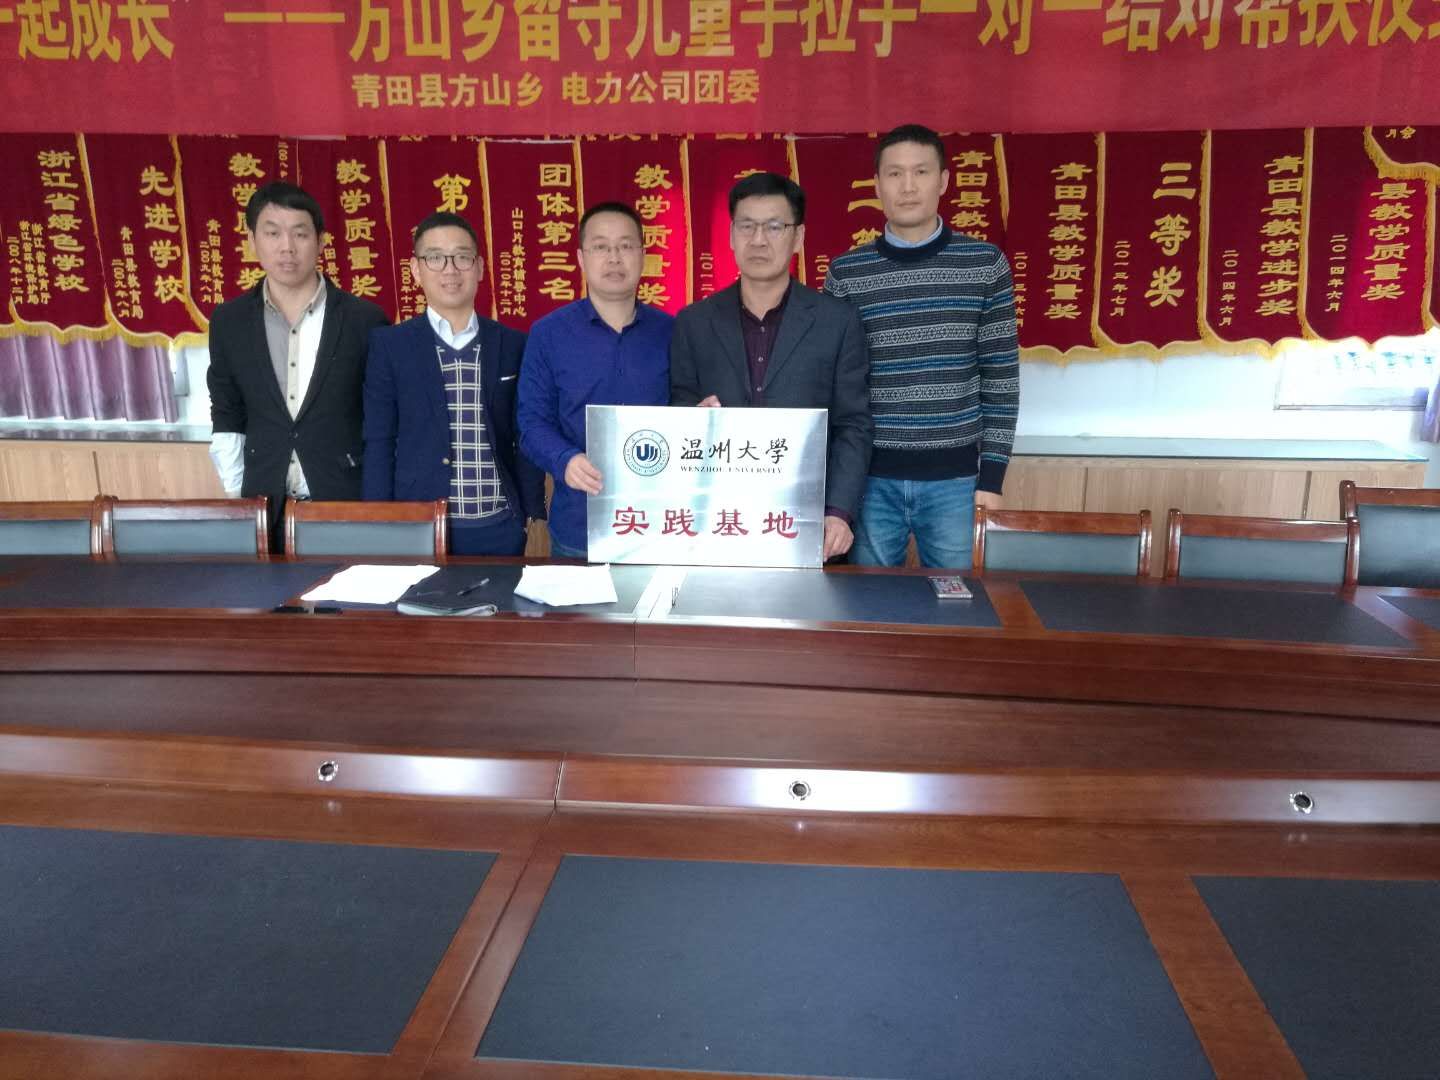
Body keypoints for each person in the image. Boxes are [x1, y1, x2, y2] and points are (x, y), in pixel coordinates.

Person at [823, 123, 1019, 570]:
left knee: (958, 601)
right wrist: (838, 488)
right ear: (877, 184)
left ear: (944, 181)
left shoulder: (984, 265)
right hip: (870, 481)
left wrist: (992, 478)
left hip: (956, 482)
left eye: (921, 172)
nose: (908, 186)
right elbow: (835, 387)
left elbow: (1001, 379)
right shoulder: (847, 274)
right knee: (869, 603)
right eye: (895, 174)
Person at [669, 172, 872, 560]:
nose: (758, 240)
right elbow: (679, 404)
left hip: (808, 522)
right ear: (731, 236)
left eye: (774, 227)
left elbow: (853, 424)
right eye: (747, 226)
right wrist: (692, 418)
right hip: (717, 522)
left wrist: (838, 511)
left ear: (798, 237)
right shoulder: (694, 322)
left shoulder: (837, 321)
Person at [207, 182, 389, 550]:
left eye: (300, 234)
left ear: (321, 241)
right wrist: (239, 497)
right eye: (272, 233)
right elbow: (228, 414)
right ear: (252, 240)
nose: (287, 247)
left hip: (346, 503)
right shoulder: (229, 321)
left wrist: (377, 500)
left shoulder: (364, 320)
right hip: (264, 507)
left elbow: (382, 419)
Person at [362, 212, 544, 556]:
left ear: (479, 268)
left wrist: (532, 513)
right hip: (418, 525)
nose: (450, 270)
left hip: (499, 525)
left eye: (462, 257)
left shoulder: (512, 344)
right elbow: (379, 440)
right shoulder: (390, 346)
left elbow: (525, 435)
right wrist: (378, 520)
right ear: (416, 270)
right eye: (435, 258)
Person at [518, 201, 674, 560]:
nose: (614, 258)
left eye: (625, 246)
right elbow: (531, 423)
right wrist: (565, 460)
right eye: (601, 246)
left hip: (660, 526)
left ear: (643, 255)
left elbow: (685, 410)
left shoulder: (673, 333)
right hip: (579, 527)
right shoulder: (548, 334)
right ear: (581, 258)